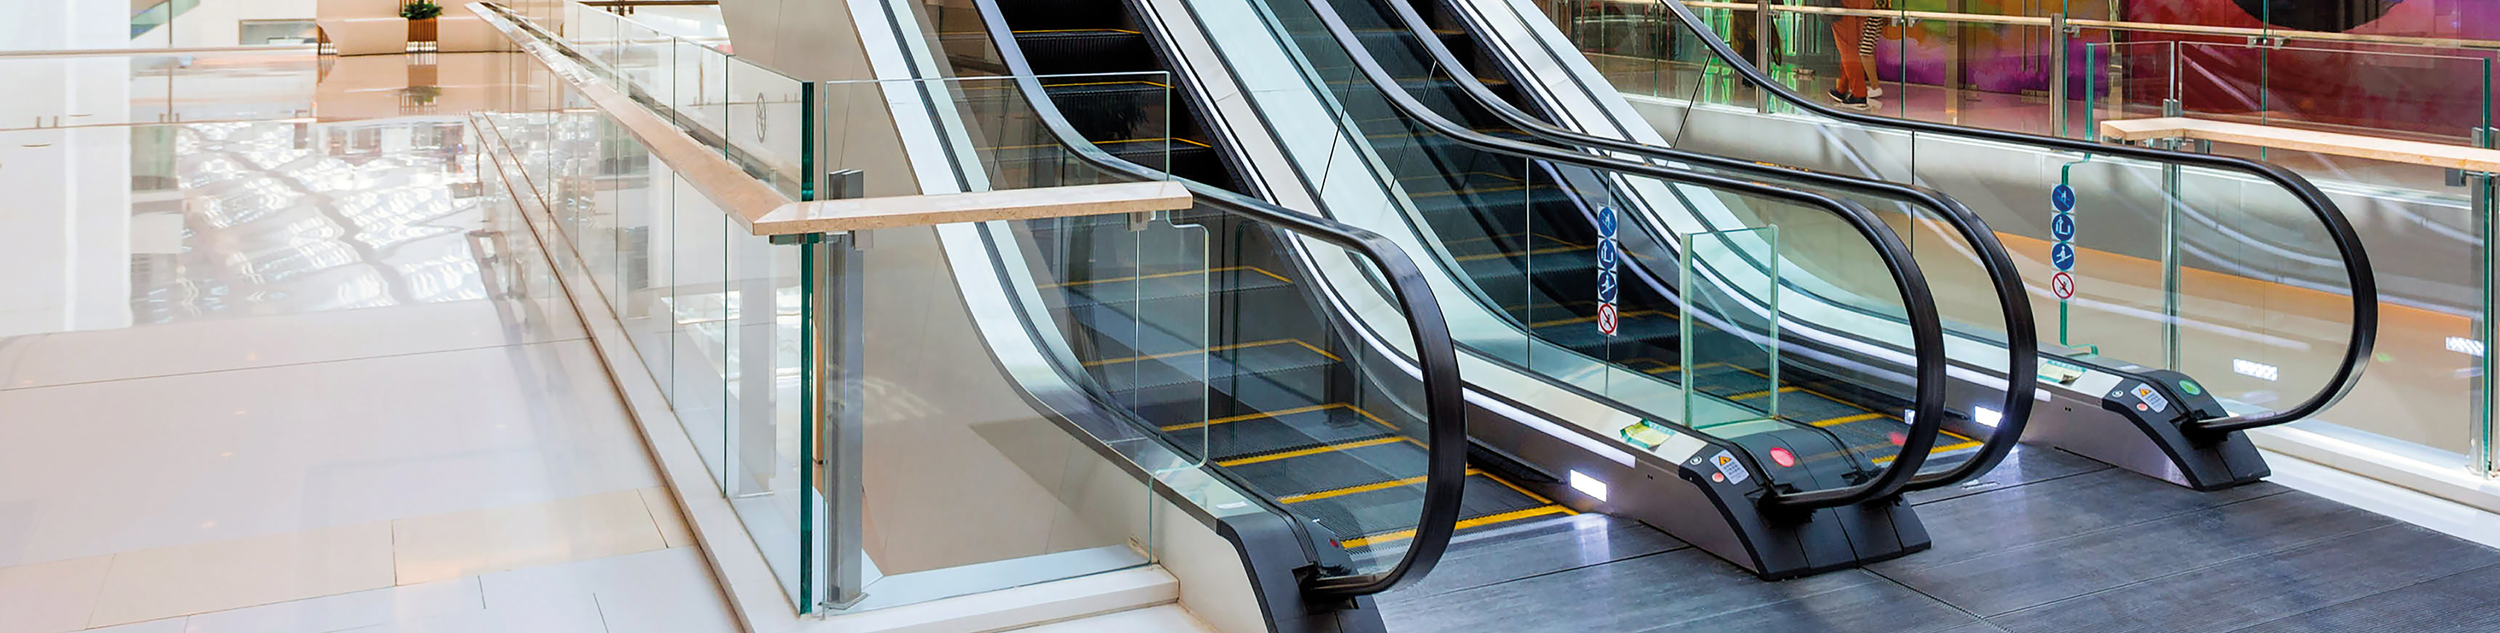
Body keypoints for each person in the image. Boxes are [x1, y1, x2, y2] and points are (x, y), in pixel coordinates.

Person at [1827, 0, 1876, 109]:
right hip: (1862, 7)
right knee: (1850, 49)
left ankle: (1859, 94)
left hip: (1845, 7)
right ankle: (1842, 89)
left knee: (1847, 49)